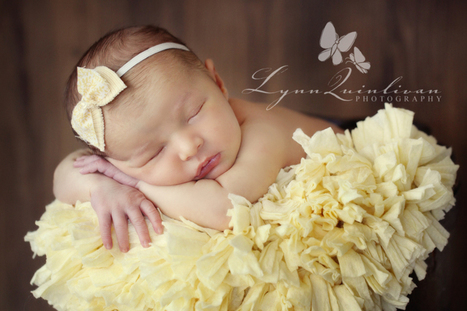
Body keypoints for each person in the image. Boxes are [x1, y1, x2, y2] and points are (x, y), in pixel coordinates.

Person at [54, 25, 343, 254]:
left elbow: (224, 211)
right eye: (153, 153)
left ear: (217, 83)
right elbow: (67, 175)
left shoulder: (264, 134)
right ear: (112, 161)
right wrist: (101, 186)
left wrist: (137, 183)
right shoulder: (118, 162)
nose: (188, 147)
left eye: (193, 114)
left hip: (344, 142)